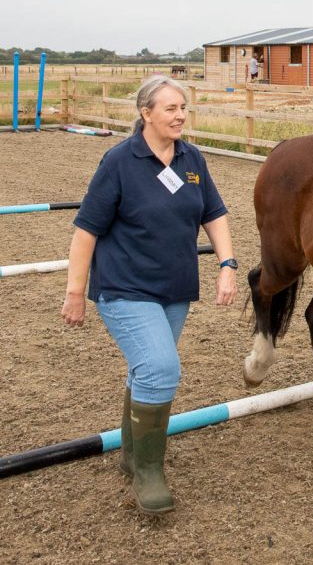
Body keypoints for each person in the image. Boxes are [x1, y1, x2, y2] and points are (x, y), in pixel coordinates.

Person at [61, 75, 238, 514]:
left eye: (184, 108)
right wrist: (75, 292)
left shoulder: (191, 158)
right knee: (160, 367)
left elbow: (214, 214)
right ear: (146, 113)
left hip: (175, 288)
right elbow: (86, 230)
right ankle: (148, 474)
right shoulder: (119, 161)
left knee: (148, 371)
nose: (180, 116)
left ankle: (131, 455)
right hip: (124, 287)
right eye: (171, 108)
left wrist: (227, 265)